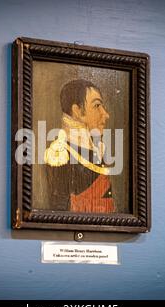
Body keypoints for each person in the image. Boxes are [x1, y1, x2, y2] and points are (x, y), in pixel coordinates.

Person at [44, 79, 115, 213]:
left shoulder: (97, 149)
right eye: (97, 106)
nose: (105, 114)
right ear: (77, 111)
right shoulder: (59, 154)